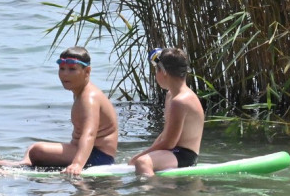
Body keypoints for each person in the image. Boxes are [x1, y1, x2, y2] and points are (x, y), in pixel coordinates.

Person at [17, 46, 119, 175]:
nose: (65, 74)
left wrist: (77, 164)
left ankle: (30, 162)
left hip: (98, 157)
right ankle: (26, 163)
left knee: (37, 150)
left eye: (72, 69)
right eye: (62, 69)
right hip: (85, 151)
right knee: (33, 148)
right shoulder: (79, 92)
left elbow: (90, 134)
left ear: (87, 71)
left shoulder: (89, 98)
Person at [129, 47, 204, 176]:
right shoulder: (171, 96)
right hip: (172, 153)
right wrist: (149, 152)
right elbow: (165, 134)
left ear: (163, 71)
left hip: (184, 155)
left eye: (156, 70)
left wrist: (140, 157)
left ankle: (153, 193)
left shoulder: (180, 101)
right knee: (141, 159)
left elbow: (169, 143)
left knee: (142, 163)